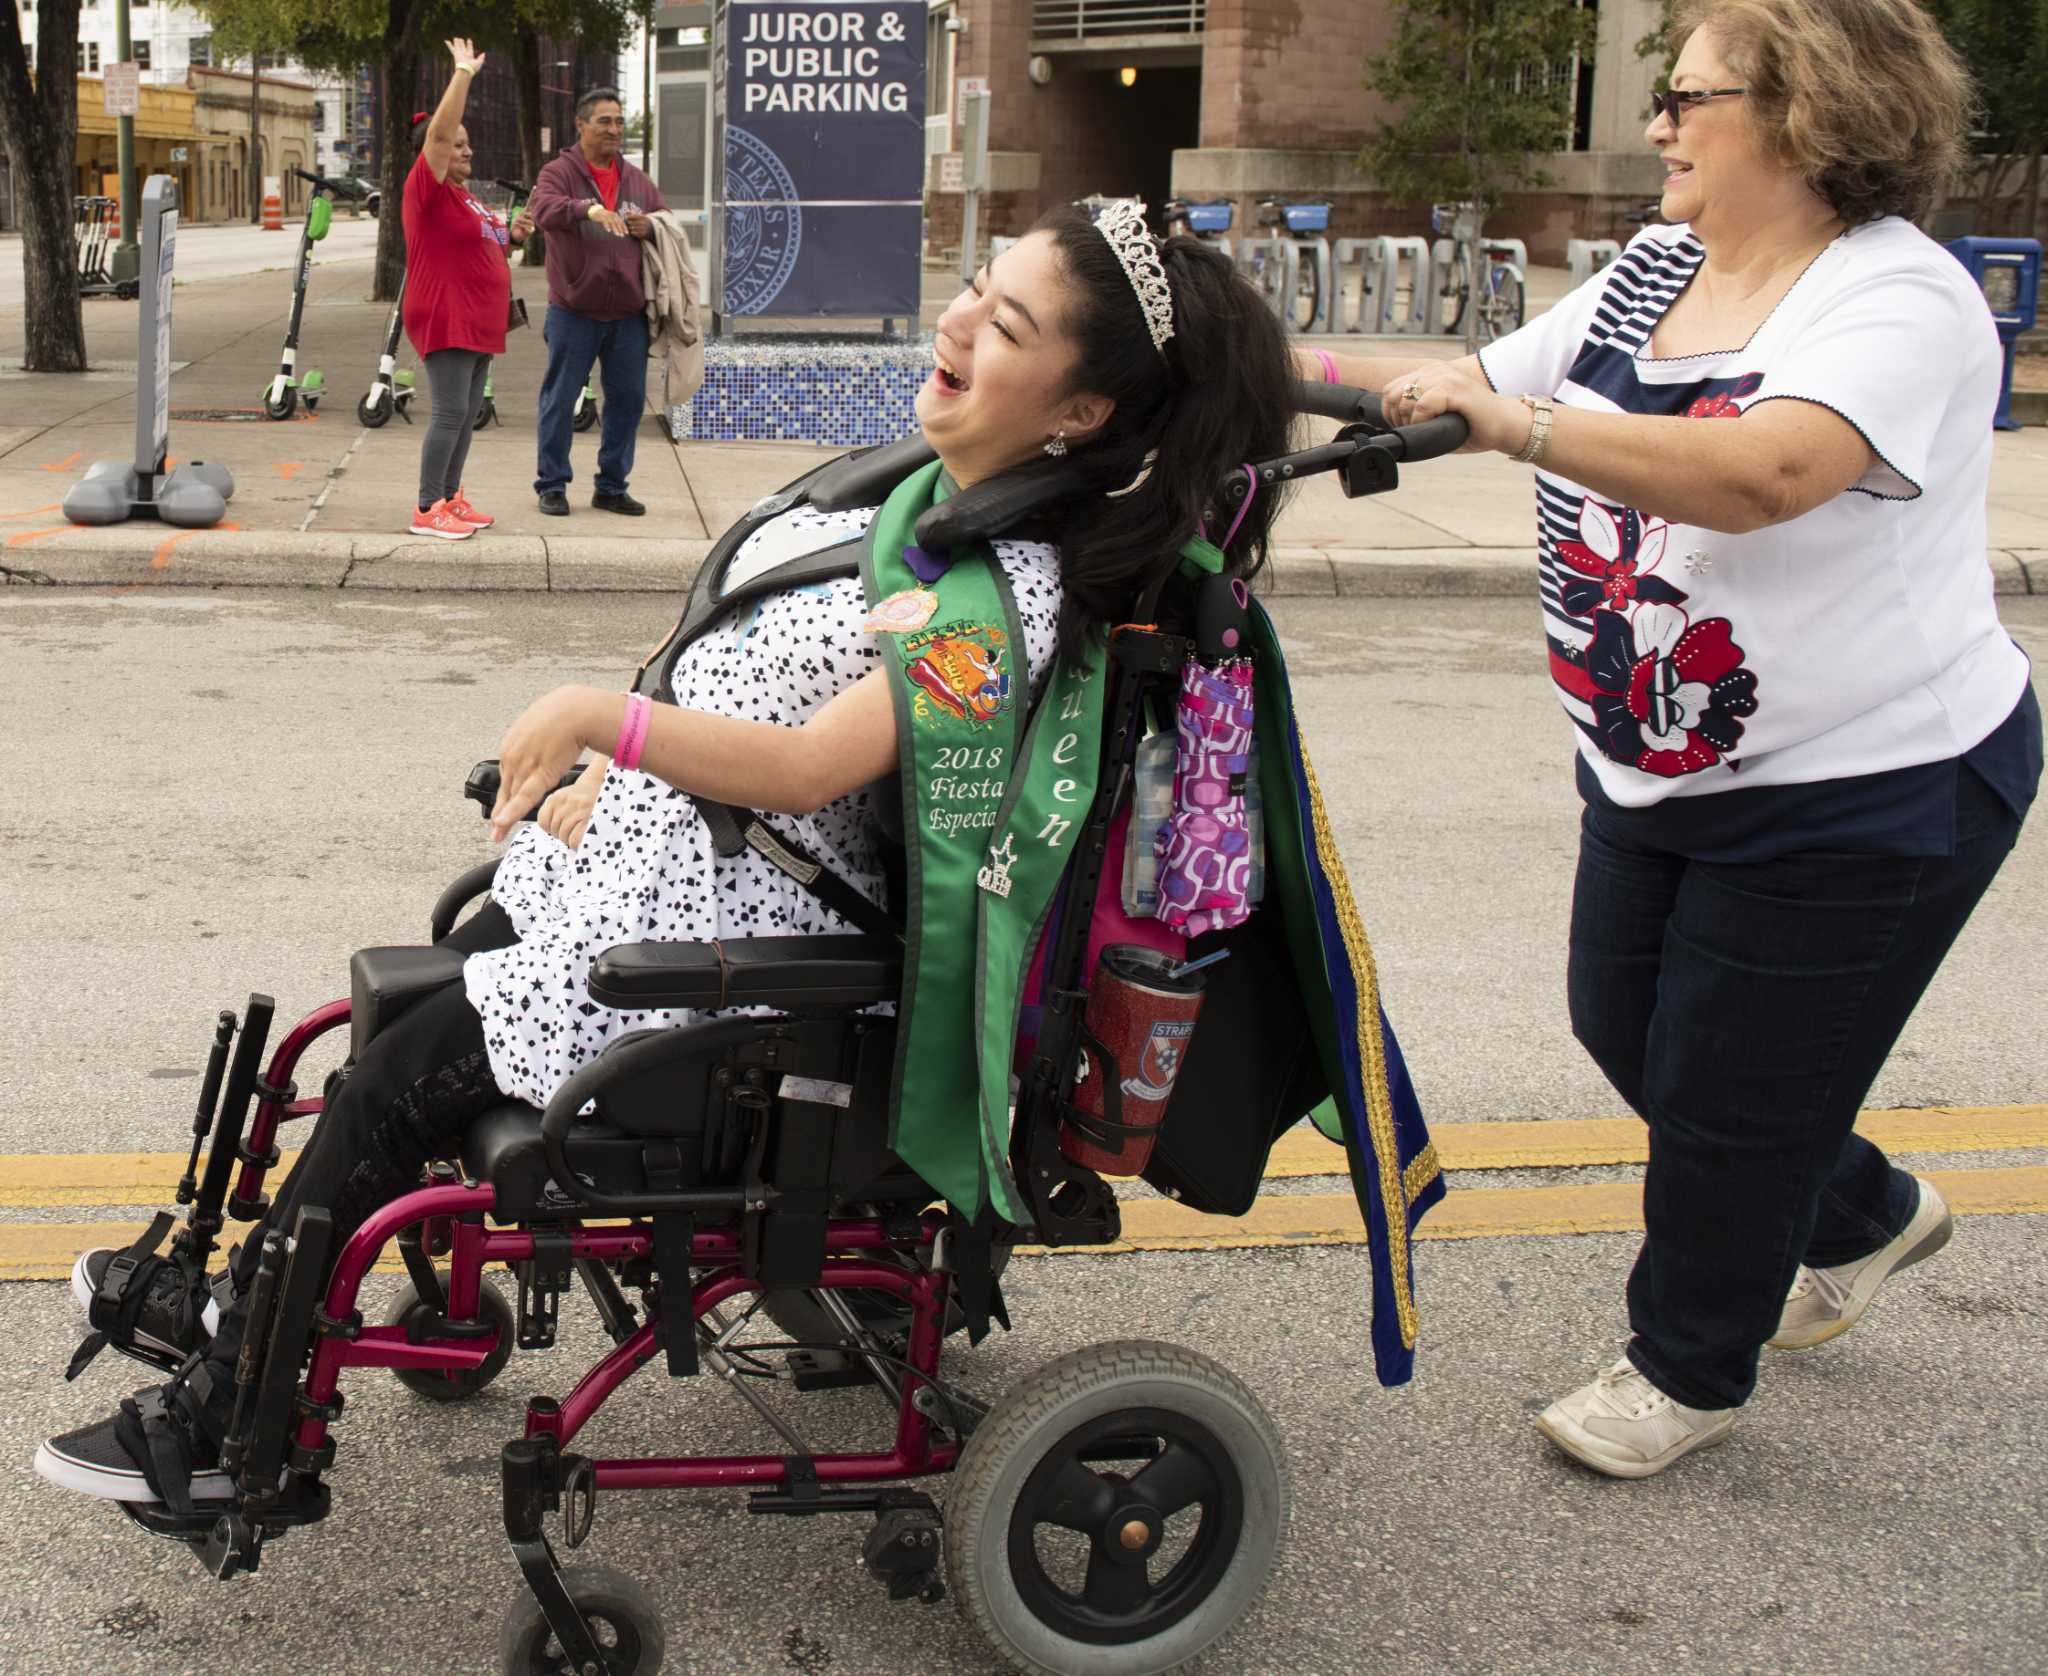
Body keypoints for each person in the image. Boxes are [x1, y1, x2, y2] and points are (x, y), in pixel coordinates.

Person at [36, 203, 1303, 1510]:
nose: (963, 316)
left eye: (1012, 322)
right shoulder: (930, 500)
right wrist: (617, 767)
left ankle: (234, 1425)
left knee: (396, 1073)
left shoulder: (1013, 597)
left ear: (1082, 413)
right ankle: (243, 1302)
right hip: (660, 888)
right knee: (397, 1014)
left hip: (748, 971)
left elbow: (814, 765)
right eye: (979, 284)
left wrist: (607, 718)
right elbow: (739, 666)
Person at [1304, 0, 2040, 1479]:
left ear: (1805, 115)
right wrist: (1217, 359)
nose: (1660, 123)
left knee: (1724, 1094)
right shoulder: (1657, 269)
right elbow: (1469, 392)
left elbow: (1767, 472)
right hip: (1655, 764)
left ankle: (1686, 1365)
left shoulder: (1896, 298)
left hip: (1866, 789)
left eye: (1689, 96)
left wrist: (1521, 432)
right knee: (1624, 1027)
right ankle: (1863, 1212)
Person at [400, 39, 535, 542]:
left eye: (468, 143)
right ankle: (425, 506)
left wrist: (515, 235)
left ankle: (450, 499)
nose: (466, 150)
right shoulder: (426, 189)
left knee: (468, 415)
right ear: (433, 153)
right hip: (446, 315)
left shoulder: (466, 198)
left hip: (480, 320)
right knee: (451, 413)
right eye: (458, 145)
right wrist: (462, 74)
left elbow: (490, 247)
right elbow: (436, 135)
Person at [527, 87, 667, 519]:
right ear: (581, 125)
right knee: (560, 396)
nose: (614, 129)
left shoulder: (637, 179)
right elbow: (544, 208)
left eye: (619, 121)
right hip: (573, 311)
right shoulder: (559, 172)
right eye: (605, 121)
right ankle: (552, 485)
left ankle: (611, 487)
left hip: (627, 315)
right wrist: (587, 210)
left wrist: (650, 226)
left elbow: (664, 219)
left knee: (626, 401)